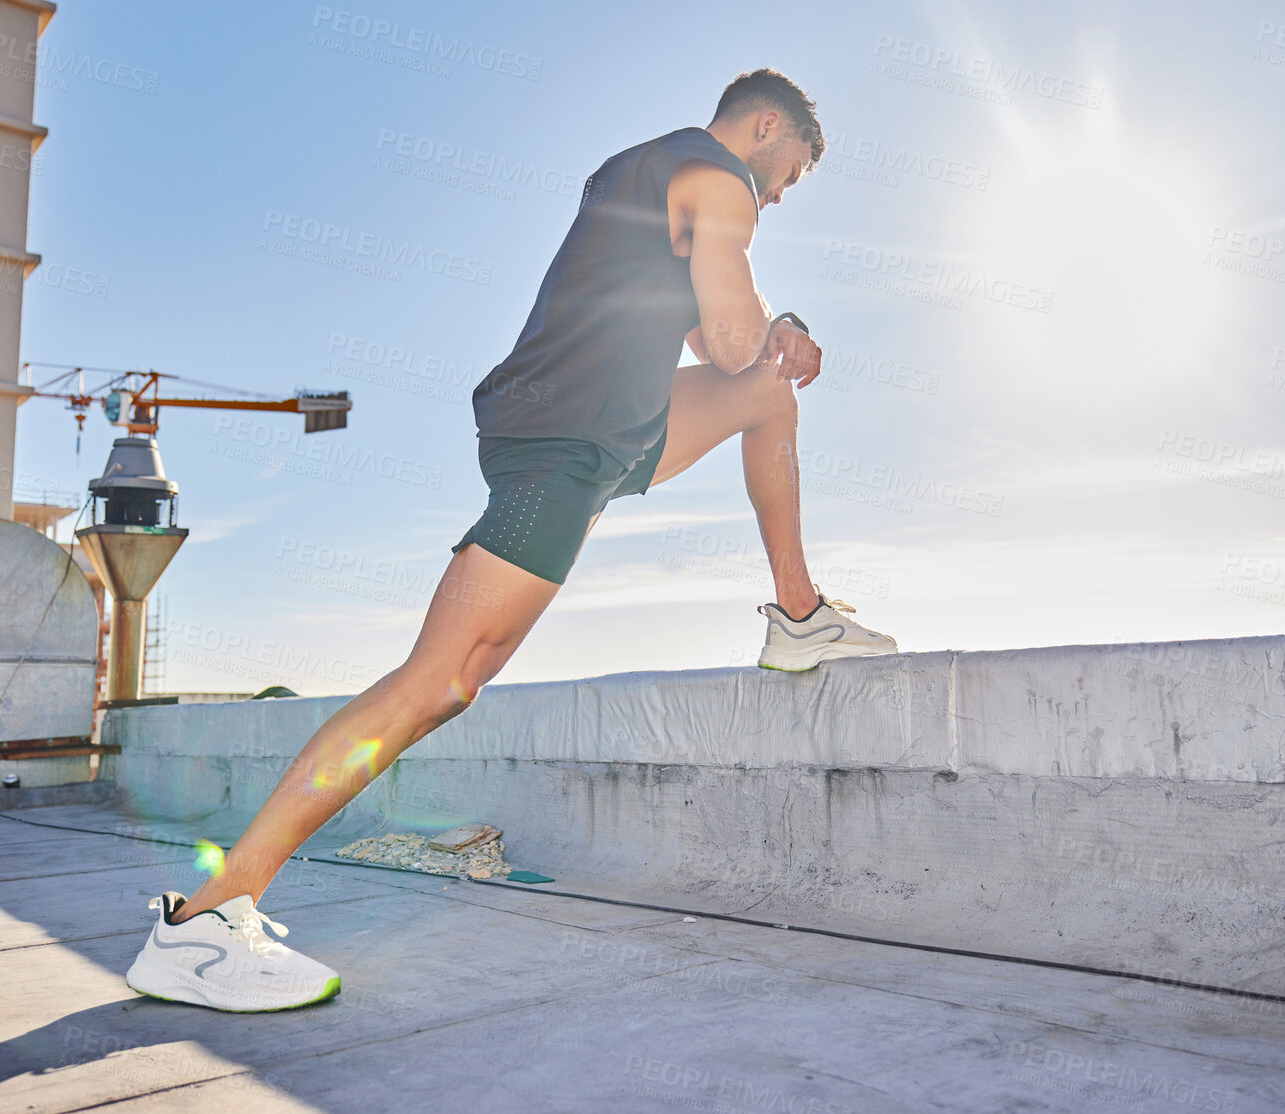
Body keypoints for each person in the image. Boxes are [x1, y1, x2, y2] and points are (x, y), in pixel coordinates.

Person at [124, 68, 897, 1012]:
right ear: (766, 127)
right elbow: (737, 336)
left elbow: (712, 347)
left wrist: (773, 338)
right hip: (565, 441)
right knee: (439, 681)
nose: (779, 194)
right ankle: (209, 915)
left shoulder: (644, 168)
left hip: (605, 426)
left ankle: (798, 615)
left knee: (768, 402)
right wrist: (781, 328)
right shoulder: (719, 178)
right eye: (790, 173)